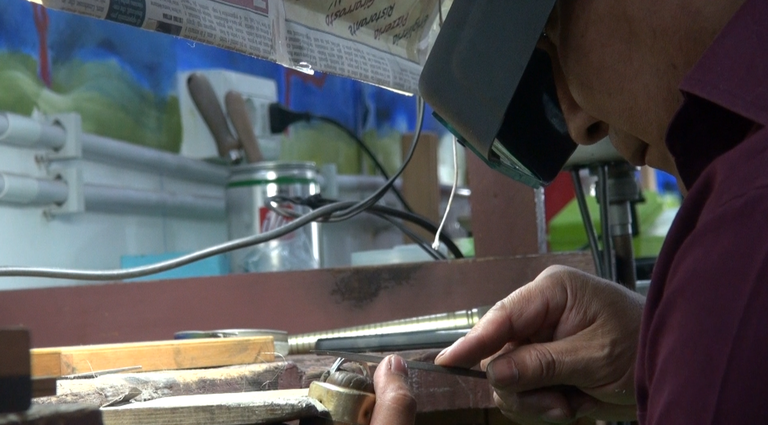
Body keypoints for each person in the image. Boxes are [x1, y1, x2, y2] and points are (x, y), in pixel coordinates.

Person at [371, 0, 768, 423]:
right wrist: (660, 346)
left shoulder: (743, 234)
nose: (581, 124)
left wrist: (702, 341)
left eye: (553, 31)